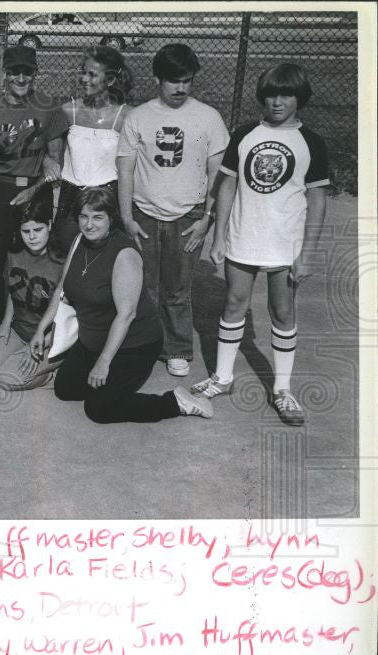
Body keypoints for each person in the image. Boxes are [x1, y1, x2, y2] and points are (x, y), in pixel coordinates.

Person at [191, 63, 328, 426]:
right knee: (234, 302)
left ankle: (282, 389)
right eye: (270, 94)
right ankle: (222, 378)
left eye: (286, 95)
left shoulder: (311, 142)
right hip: (243, 235)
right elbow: (228, 186)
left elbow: (317, 200)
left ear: (300, 99)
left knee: (282, 311)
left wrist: (308, 252)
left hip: (286, 243)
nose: (277, 101)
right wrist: (218, 236)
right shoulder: (245, 134)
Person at [28, 186, 213, 424]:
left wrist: (103, 363)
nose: (89, 225)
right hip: (92, 339)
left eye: (98, 217)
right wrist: (41, 329)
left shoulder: (124, 253)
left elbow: (126, 315)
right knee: (65, 389)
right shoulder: (79, 241)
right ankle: (107, 383)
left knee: (99, 408)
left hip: (133, 344)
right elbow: (63, 286)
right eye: (84, 217)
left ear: (111, 219)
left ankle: (175, 402)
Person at [116, 43, 229, 378]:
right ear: (157, 79)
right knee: (144, 286)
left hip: (188, 217)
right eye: (173, 80)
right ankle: (144, 343)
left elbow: (217, 175)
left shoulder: (208, 117)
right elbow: (125, 171)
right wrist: (127, 217)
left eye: (187, 80)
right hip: (144, 215)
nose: (181, 88)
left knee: (177, 288)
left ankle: (176, 348)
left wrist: (206, 220)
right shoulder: (139, 117)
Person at [0, 45, 67, 339]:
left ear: (35, 73)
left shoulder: (49, 106)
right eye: (15, 72)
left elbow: (56, 161)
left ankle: (31, 326)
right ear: (5, 74)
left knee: (33, 258)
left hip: (34, 190)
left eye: (27, 72)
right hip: (0, 190)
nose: (21, 78)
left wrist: (36, 190)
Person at [0, 191, 62, 391]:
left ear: (49, 224)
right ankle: (20, 357)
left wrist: (47, 342)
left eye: (38, 230)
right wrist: (5, 325)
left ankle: (52, 372)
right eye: (25, 231)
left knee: (8, 378)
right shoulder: (14, 253)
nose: (32, 237)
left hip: (49, 339)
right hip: (20, 331)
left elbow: (68, 316)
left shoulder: (61, 262)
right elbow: (16, 291)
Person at [52, 46, 132, 260]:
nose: (83, 79)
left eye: (92, 74)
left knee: (103, 264)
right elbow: (51, 152)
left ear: (111, 80)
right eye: (83, 72)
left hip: (107, 202)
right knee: (69, 261)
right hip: (71, 201)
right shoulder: (69, 111)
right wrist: (46, 162)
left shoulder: (126, 116)